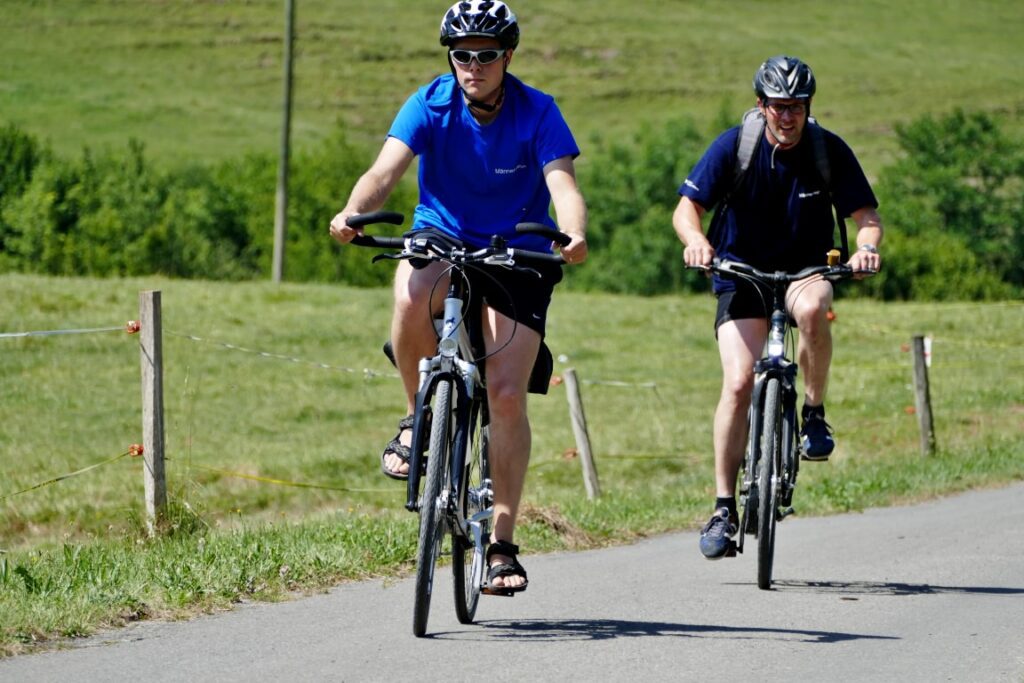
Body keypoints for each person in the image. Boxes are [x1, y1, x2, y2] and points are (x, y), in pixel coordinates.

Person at [329, 1, 587, 593]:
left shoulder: (538, 111)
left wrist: (574, 232)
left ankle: (501, 545)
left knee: (505, 394)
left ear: (508, 56)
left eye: (486, 54)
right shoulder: (429, 103)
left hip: (517, 247)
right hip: (441, 234)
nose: (473, 65)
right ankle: (418, 420)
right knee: (410, 290)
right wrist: (353, 210)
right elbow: (383, 172)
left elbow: (563, 184)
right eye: (462, 54)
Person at [672, 55, 883, 560]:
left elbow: (866, 217)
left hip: (805, 270)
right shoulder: (735, 145)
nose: (787, 117)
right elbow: (687, 209)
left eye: (797, 107)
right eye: (778, 107)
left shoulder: (827, 150)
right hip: (740, 271)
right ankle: (724, 508)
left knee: (813, 310)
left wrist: (865, 249)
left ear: (808, 107)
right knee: (738, 383)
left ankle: (813, 414)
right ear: (761, 105)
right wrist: (696, 241)